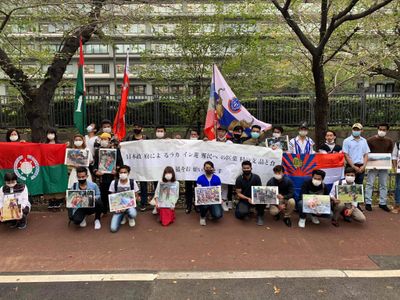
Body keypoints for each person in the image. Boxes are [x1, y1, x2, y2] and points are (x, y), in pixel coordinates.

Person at [365, 123, 393, 212]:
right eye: (380, 129)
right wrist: (369, 163)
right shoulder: (369, 140)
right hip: (372, 165)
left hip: (384, 166)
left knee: (384, 184)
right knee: (370, 183)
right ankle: (368, 203)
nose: (382, 131)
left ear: (387, 131)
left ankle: (382, 203)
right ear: (377, 129)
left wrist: (387, 162)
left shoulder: (389, 141)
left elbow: (390, 153)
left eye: (384, 130)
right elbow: (366, 153)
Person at [92, 132, 123, 213]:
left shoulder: (116, 150)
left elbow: (120, 163)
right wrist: (96, 172)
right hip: (102, 177)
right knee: (103, 194)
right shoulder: (98, 151)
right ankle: (104, 210)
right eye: (102, 139)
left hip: (113, 176)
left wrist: (116, 171)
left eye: (105, 139)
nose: (103, 141)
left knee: (114, 192)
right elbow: (95, 165)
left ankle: (117, 209)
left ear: (109, 140)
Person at [126, 123, 149, 212]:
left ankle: (143, 203)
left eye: (138, 127)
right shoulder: (129, 139)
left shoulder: (146, 138)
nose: (136, 128)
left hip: (143, 165)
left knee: (144, 185)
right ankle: (132, 203)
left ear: (142, 128)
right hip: (132, 165)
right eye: (135, 127)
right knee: (131, 184)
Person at [109, 165, 139, 233]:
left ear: (128, 173)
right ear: (118, 173)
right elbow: (112, 196)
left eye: (125, 172)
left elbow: (136, 196)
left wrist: (136, 199)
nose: (123, 174)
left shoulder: (132, 182)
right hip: (118, 207)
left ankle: (130, 217)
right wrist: (117, 207)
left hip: (129, 206)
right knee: (113, 229)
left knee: (133, 213)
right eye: (121, 172)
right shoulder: (114, 183)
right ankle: (122, 216)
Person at [235, 161, 265, 226]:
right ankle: (246, 210)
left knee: (264, 199)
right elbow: (238, 193)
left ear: (251, 168)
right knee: (240, 215)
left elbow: (260, 190)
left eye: (248, 168)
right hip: (244, 199)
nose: (246, 169)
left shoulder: (256, 177)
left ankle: (260, 216)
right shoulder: (239, 179)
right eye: (244, 168)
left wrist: (255, 199)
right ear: (242, 169)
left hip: (256, 197)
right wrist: (248, 199)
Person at [43, 127, 64, 209]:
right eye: (49, 133)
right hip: (47, 166)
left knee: (57, 181)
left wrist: (65, 146)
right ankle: (50, 200)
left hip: (58, 166)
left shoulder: (59, 144)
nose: (50, 135)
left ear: (55, 135)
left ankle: (58, 200)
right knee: (48, 182)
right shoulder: (44, 145)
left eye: (52, 133)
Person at [196, 161, 223, 226]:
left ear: (213, 168)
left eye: (210, 168)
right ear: (204, 168)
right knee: (204, 205)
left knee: (218, 215)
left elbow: (219, 191)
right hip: (204, 200)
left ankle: (211, 212)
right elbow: (199, 191)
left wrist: (220, 199)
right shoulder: (200, 178)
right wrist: (198, 199)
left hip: (214, 200)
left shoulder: (217, 178)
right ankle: (202, 217)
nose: (208, 169)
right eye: (206, 167)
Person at [185, 129, 200, 213]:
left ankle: (197, 204)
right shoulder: (186, 144)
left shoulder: (201, 144)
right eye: (192, 135)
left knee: (197, 188)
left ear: (198, 136)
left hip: (198, 171)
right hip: (188, 171)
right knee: (188, 189)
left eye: (195, 134)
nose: (193, 136)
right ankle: (188, 205)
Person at [392, 139, 400, 214]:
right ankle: (398, 205)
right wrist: (395, 168)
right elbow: (394, 156)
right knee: (398, 187)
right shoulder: (398, 144)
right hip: (399, 169)